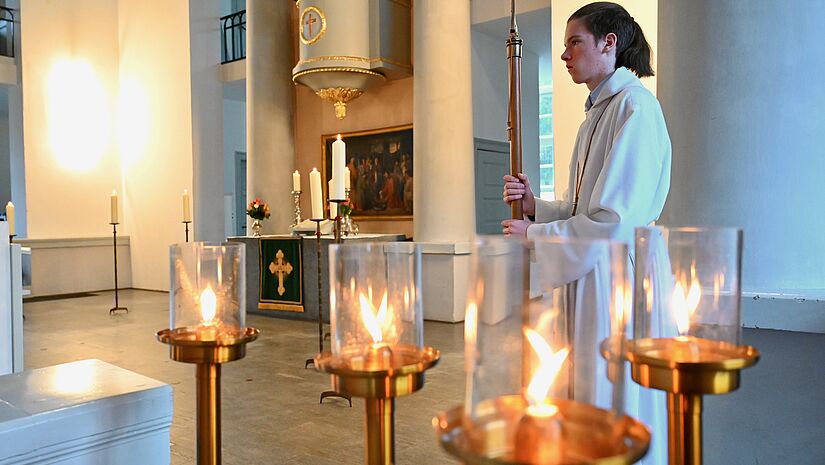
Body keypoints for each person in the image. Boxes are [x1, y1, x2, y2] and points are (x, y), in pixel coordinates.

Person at [501, 3, 671, 464]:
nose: (565, 56)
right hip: (594, 270)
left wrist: (536, 235)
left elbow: (614, 221)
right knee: (585, 390)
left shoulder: (636, 107)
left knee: (610, 394)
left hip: (616, 276)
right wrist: (538, 209)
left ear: (609, 42)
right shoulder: (598, 113)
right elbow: (586, 209)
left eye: (574, 42)